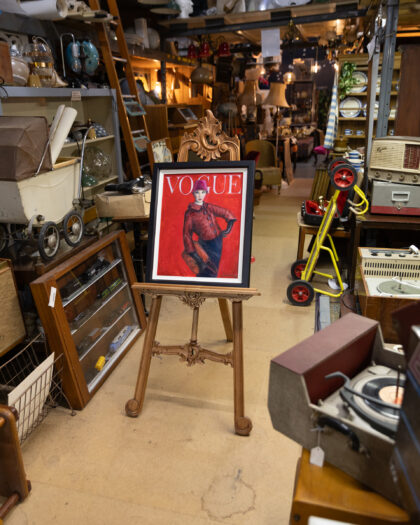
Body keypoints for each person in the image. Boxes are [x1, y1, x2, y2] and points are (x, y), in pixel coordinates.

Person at [183, 179, 236, 278]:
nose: (200, 195)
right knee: (208, 271)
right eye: (197, 192)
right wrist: (194, 254)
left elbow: (225, 212)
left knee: (215, 268)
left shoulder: (208, 206)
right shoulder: (190, 214)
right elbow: (186, 235)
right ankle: (202, 286)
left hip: (218, 241)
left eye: (203, 192)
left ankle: (210, 285)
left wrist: (229, 228)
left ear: (206, 193)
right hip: (206, 244)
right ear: (193, 193)